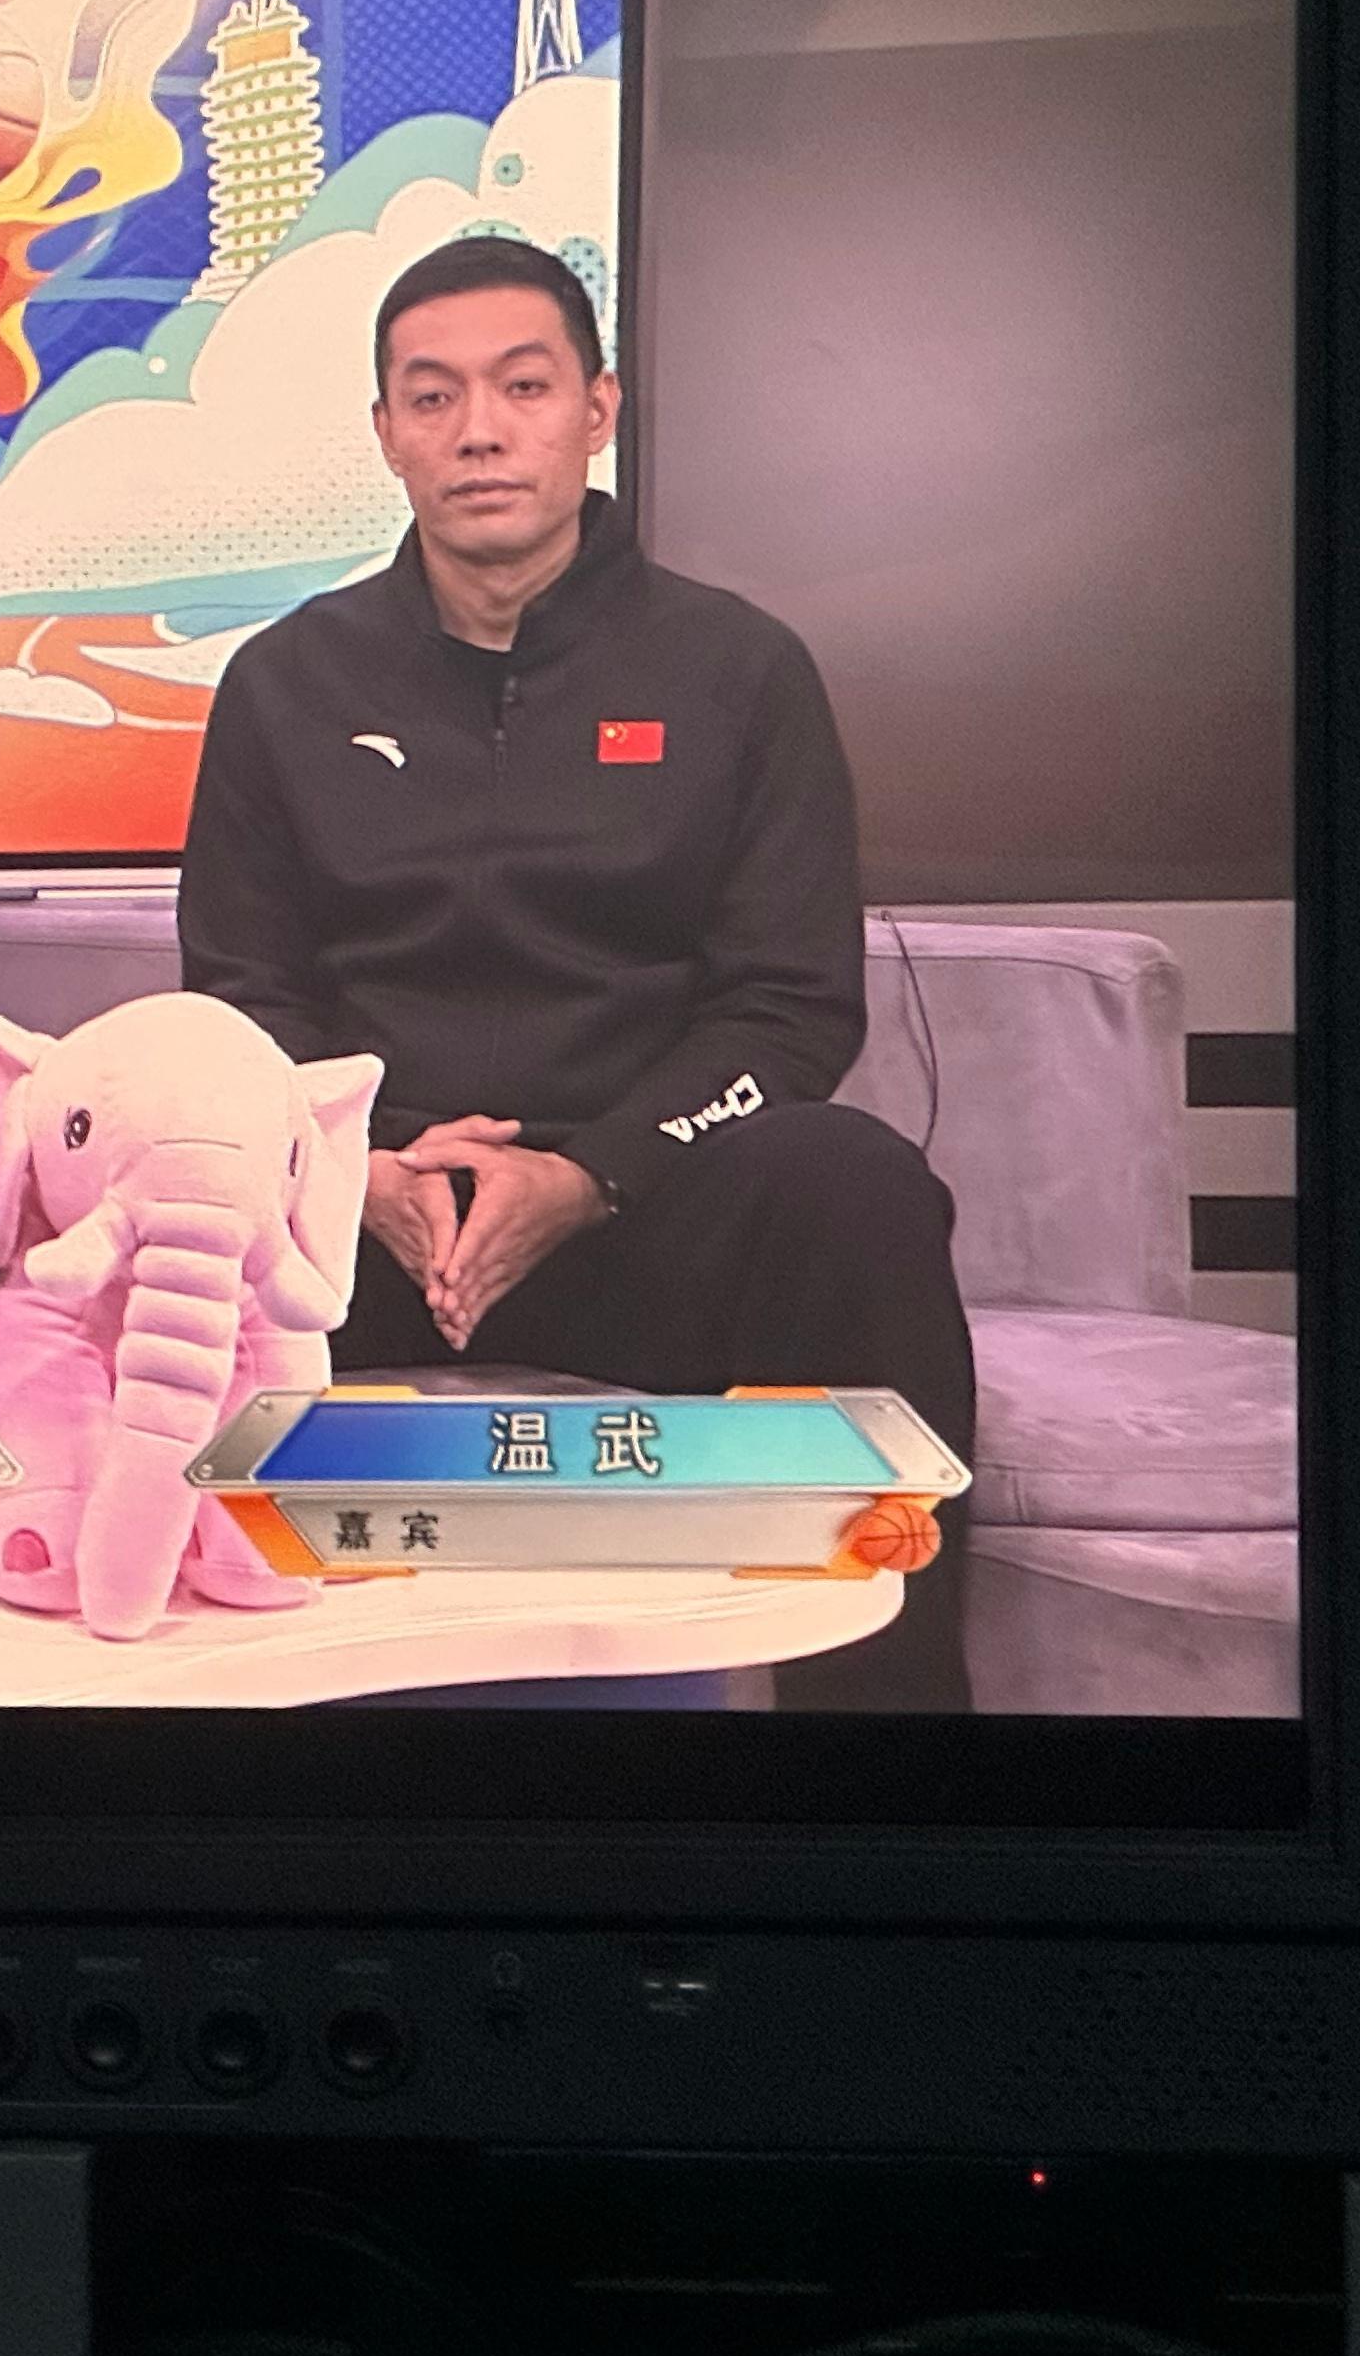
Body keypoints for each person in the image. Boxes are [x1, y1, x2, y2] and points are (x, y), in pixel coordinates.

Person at [178, 236, 978, 1712]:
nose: (478, 432)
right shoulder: (287, 683)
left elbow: (790, 1007)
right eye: (433, 397)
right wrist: (362, 1175)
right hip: (362, 1231)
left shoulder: (738, 670)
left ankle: (889, 1760)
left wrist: (590, 1175)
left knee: (855, 1184)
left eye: (523, 387)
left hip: (647, 1214)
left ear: (598, 410)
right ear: (386, 433)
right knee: (154, 1205)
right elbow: (239, 1000)